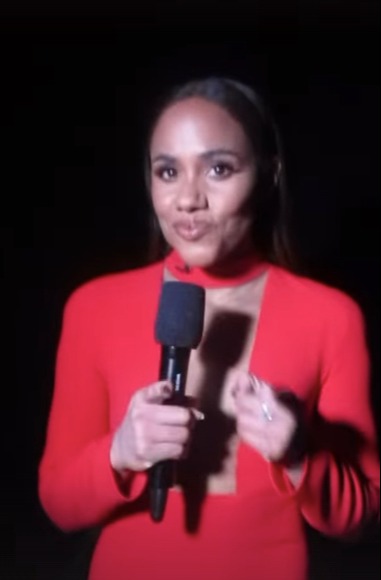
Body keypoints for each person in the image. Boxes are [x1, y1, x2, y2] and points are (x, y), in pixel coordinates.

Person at [38, 77, 380, 580]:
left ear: (268, 175)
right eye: (168, 171)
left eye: (219, 168)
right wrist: (121, 451)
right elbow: (60, 503)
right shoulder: (93, 307)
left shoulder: (332, 318)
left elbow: (362, 517)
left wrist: (298, 455)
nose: (188, 199)